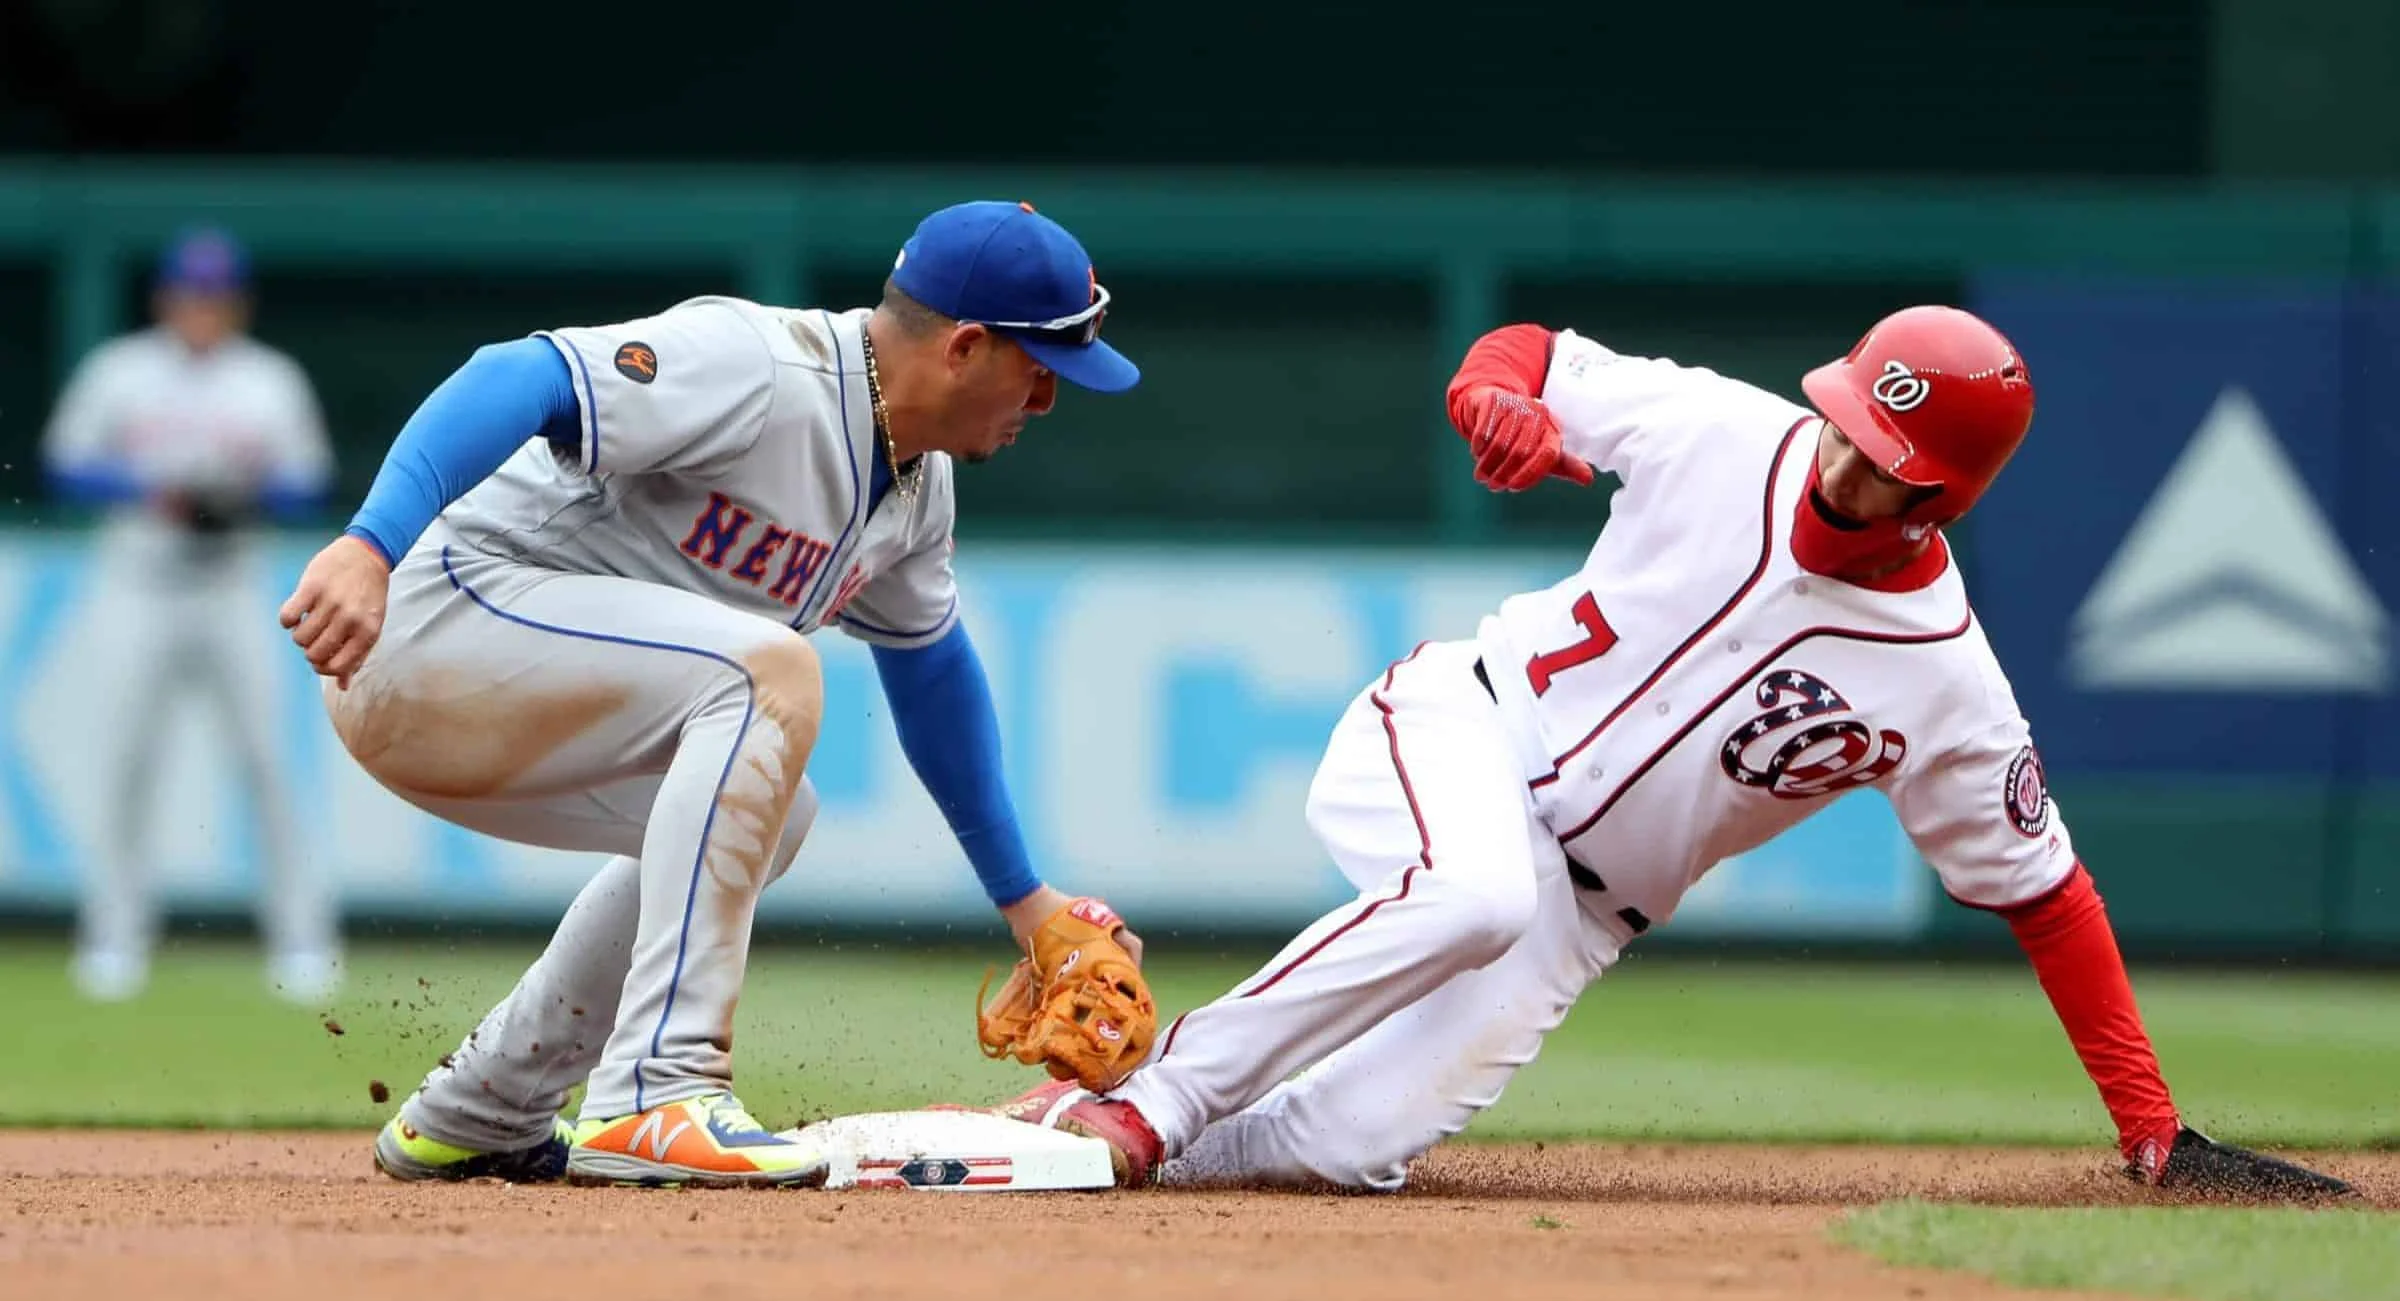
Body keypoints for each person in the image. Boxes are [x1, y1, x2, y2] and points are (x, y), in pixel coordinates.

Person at [993, 305, 2356, 1201]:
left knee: (1349, 1141)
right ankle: (1157, 1101)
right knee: (1474, 888)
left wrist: (2152, 1119)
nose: (1844, 457)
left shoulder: (1948, 683)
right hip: (1458, 723)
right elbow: (1521, 349)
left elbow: (2045, 892)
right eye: (1848, 418)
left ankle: (1065, 1133)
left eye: (1886, 453)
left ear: (1944, 491)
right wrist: (1492, 404)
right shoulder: (1722, 429)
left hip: (1584, 907)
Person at [277, 200, 1154, 1188]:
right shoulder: (761, 368)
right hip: (428, 633)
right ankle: (658, 1089)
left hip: (502, 704)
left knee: (778, 806)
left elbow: (933, 672)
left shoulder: (918, 489)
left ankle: (486, 1106)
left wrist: (1028, 908)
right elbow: (516, 375)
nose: (1047, 401)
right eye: (1043, 369)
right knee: (768, 671)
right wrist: (369, 544)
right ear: (964, 347)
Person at [40, 225, 340, 1004]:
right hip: (138, 580)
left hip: (233, 586)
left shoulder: (268, 379)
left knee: (270, 764)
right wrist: (149, 492)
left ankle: (304, 942)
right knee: (126, 765)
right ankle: (113, 941)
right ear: (165, 296)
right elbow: (64, 464)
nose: (202, 307)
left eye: (215, 293)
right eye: (190, 291)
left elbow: (309, 482)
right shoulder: (121, 370)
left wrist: (237, 499)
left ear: (235, 302)